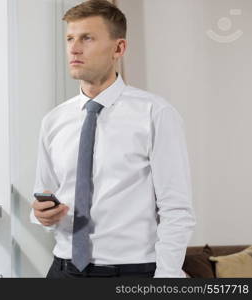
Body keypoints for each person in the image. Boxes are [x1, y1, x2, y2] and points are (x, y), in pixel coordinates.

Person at [30, 0, 196, 278]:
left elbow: (176, 209)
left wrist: (167, 277)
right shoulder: (53, 121)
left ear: (119, 48)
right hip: (62, 270)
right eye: (70, 38)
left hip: (130, 272)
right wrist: (42, 214)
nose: (74, 47)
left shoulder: (155, 114)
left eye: (87, 38)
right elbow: (45, 195)